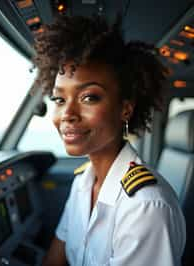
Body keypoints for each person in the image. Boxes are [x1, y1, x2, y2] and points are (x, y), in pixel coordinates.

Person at [33, 14, 186, 266]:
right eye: (59, 99)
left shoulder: (145, 207)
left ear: (125, 109)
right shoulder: (83, 181)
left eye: (89, 97)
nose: (67, 115)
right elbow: (57, 255)